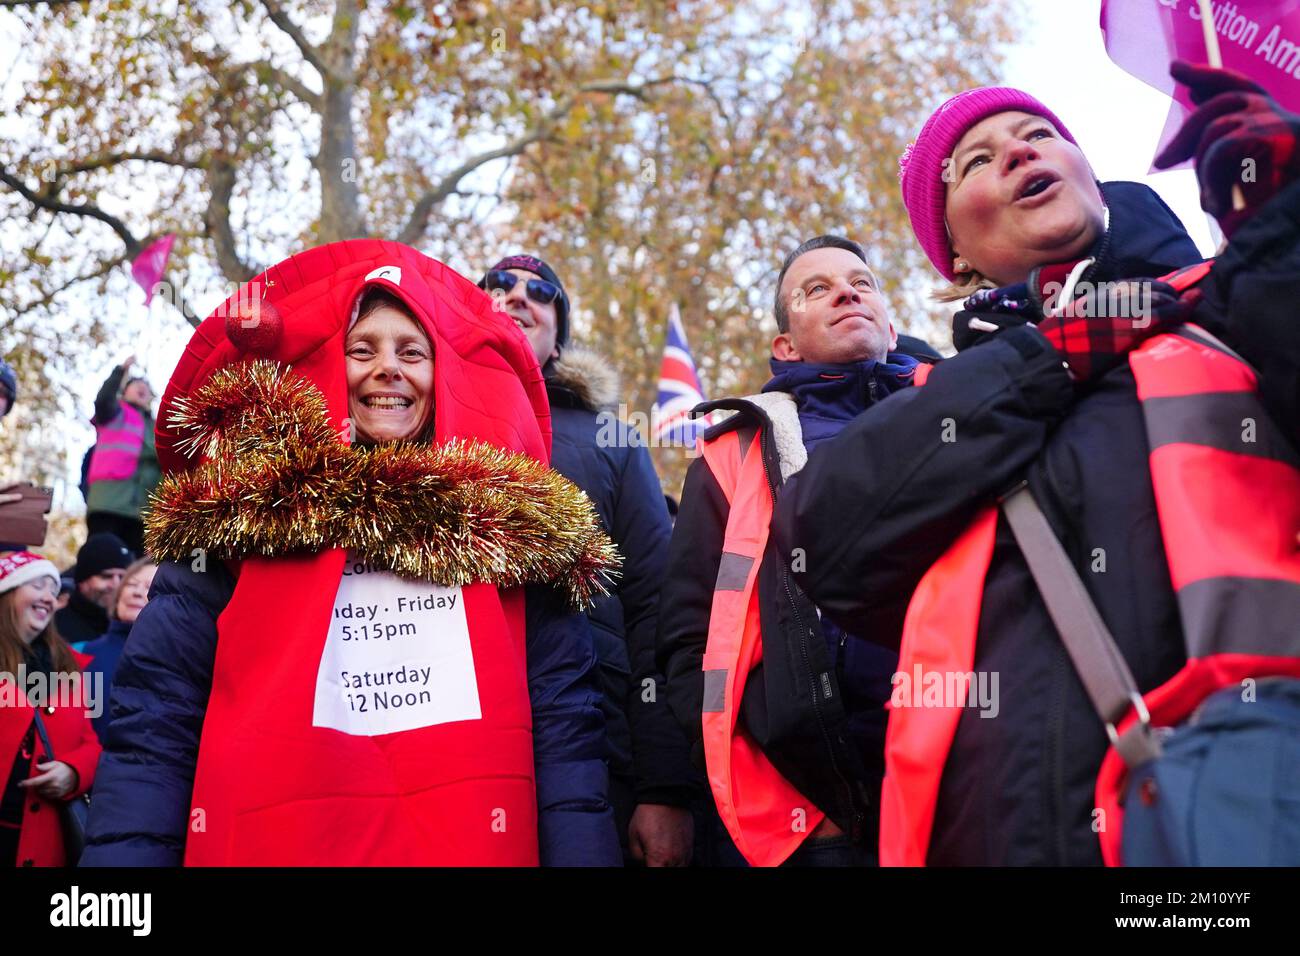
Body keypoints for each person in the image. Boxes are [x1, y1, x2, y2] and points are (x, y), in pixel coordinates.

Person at [772, 81, 1300, 866]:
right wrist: (1050, 355)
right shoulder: (928, 398)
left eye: (1038, 134)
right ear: (952, 247)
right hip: (1006, 831)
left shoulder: (1227, 309)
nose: (1019, 150)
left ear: (1089, 173)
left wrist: (1281, 234)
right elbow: (823, 541)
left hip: (1256, 800)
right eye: (977, 160)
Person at [82, 239, 622, 866]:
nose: (387, 369)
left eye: (411, 352)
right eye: (361, 350)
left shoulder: (517, 536)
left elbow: (567, 740)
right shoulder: (229, 524)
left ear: (442, 376)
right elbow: (156, 727)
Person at [657, 234, 939, 867]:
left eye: (862, 282)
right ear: (785, 347)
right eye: (816, 289)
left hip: (965, 788)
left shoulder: (962, 409)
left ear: (891, 326)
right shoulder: (731, 453)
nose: (846, 291)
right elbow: (686, 640)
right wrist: (778, 743)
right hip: (813, 820)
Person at [479, 254, 698, 867]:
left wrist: (665, 787)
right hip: (452, 744)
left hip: (600, 751)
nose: (519, 296)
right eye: (499, 286)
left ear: (558, 336)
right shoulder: (410, 421)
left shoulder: (613, 438)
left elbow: (658, 607)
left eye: (541, 292)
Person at [0, 551, 101, 867]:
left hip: (41, 843)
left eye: (53, 590)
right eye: (38, 586)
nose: (48, 597)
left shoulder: (69, 667)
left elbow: (91, 744)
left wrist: (73, 773)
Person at [85, 355, 159, 554]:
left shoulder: (157, 428)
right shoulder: (114, 413)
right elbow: (104, 399)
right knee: (102, 562)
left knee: (134, 572)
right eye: (136, 384)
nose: (142, 387)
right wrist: (120, 371)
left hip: (142, 514)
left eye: (147, 387)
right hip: (107, 505)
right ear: (124, 391)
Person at [79, 558, 157, 742]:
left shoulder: (174, 663)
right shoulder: (81, 653)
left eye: (149, 587)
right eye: (131, 584)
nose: (137, 592)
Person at [52, 533, 132, 645]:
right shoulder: (54, 628)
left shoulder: (132, 628)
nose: (116, 585)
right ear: (82, 580)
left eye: (122, 577)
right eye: (106, 576)